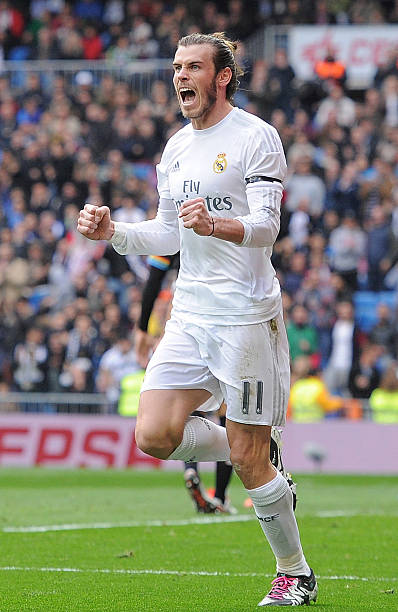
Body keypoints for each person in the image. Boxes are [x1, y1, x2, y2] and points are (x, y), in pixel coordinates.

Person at [77, 32, 317, 607]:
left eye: (192, 67)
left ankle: (295, 573)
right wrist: (115, 233)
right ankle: (254, 448)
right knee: (153, 435)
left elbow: (266, 228)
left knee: (248, 459)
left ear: (222, 75)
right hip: (189, 313)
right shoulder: (177, 147)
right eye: (176, 66)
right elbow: (167, 232)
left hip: (244, 317)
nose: (180, 77)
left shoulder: (257, 138)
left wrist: (216, 224)